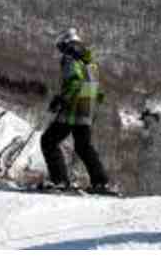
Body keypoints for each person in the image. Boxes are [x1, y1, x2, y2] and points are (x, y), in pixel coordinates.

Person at [40, 28, 115, 194]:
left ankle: (60, 181)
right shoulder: (89, 62)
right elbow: (97, 89)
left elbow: (74, 82)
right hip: (87, 109)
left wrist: (61, 99)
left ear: (65, 43)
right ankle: (101, 183)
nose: (60, 51)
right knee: (83, 146)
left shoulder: (70, 59)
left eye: (60, 47)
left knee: (48, 141)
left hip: (72, 109)